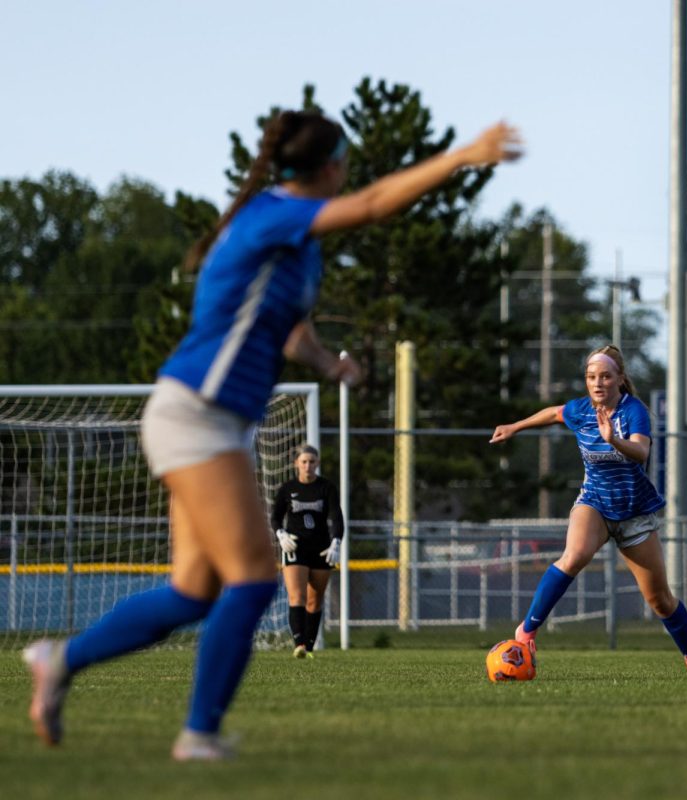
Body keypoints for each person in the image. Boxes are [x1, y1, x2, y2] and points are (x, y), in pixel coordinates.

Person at [22, 110, 522, 760]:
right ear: (328, 167)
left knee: (192, 592)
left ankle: (61, 661)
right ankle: (198, 734)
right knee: (255, 579)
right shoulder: (272, 214)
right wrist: (462, 156)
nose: (349, 173)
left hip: (212, 420)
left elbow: (287, 329)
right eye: (345, 160)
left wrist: (325, 363)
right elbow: (371, 206)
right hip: (197, 412)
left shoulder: (294, 243)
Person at [489, 345, 687, 678]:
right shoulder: (581, 409)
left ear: (620, 379)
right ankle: (527, 631)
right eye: (591, 377)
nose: (597, 383)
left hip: (634, 513)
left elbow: (639, 452)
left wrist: (613, 440)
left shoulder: (633, 411)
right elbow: (553, 413)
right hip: (594, 501)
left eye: (605, 376)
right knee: (574, 554)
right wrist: (515, 426)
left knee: (661, 601)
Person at [272, 444, 343, 659]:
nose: (308, 466)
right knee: (297, 596)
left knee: (315, 599)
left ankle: (310, 647)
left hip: (321, 548)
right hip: (295, 547)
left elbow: (336, 516)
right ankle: (299, 644)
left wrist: (336, 542)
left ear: (317, 463)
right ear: (296, 464)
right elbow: (275, 516)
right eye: (304, 461)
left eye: (312, 461)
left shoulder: (327, 488)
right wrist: (280, 534)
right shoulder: (287, 489)